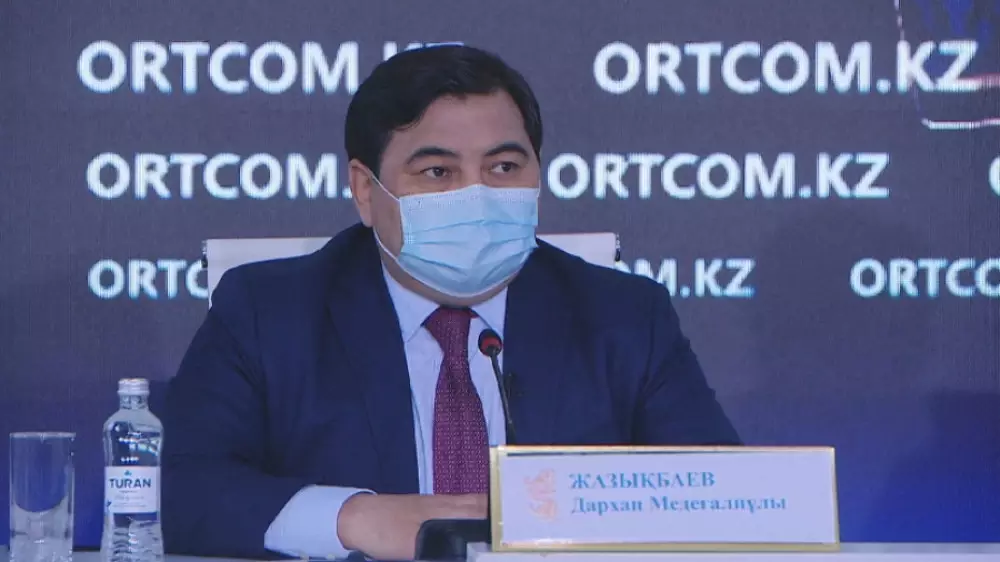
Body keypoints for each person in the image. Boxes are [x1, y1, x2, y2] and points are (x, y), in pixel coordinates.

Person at [161, 44, 740, 561]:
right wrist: (354, 519)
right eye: (438, 171)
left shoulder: (625, 316)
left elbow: (722, 498)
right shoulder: (268, 313)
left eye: (503, 167)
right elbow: (181, 490)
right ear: (365, 190)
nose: (476, 195)